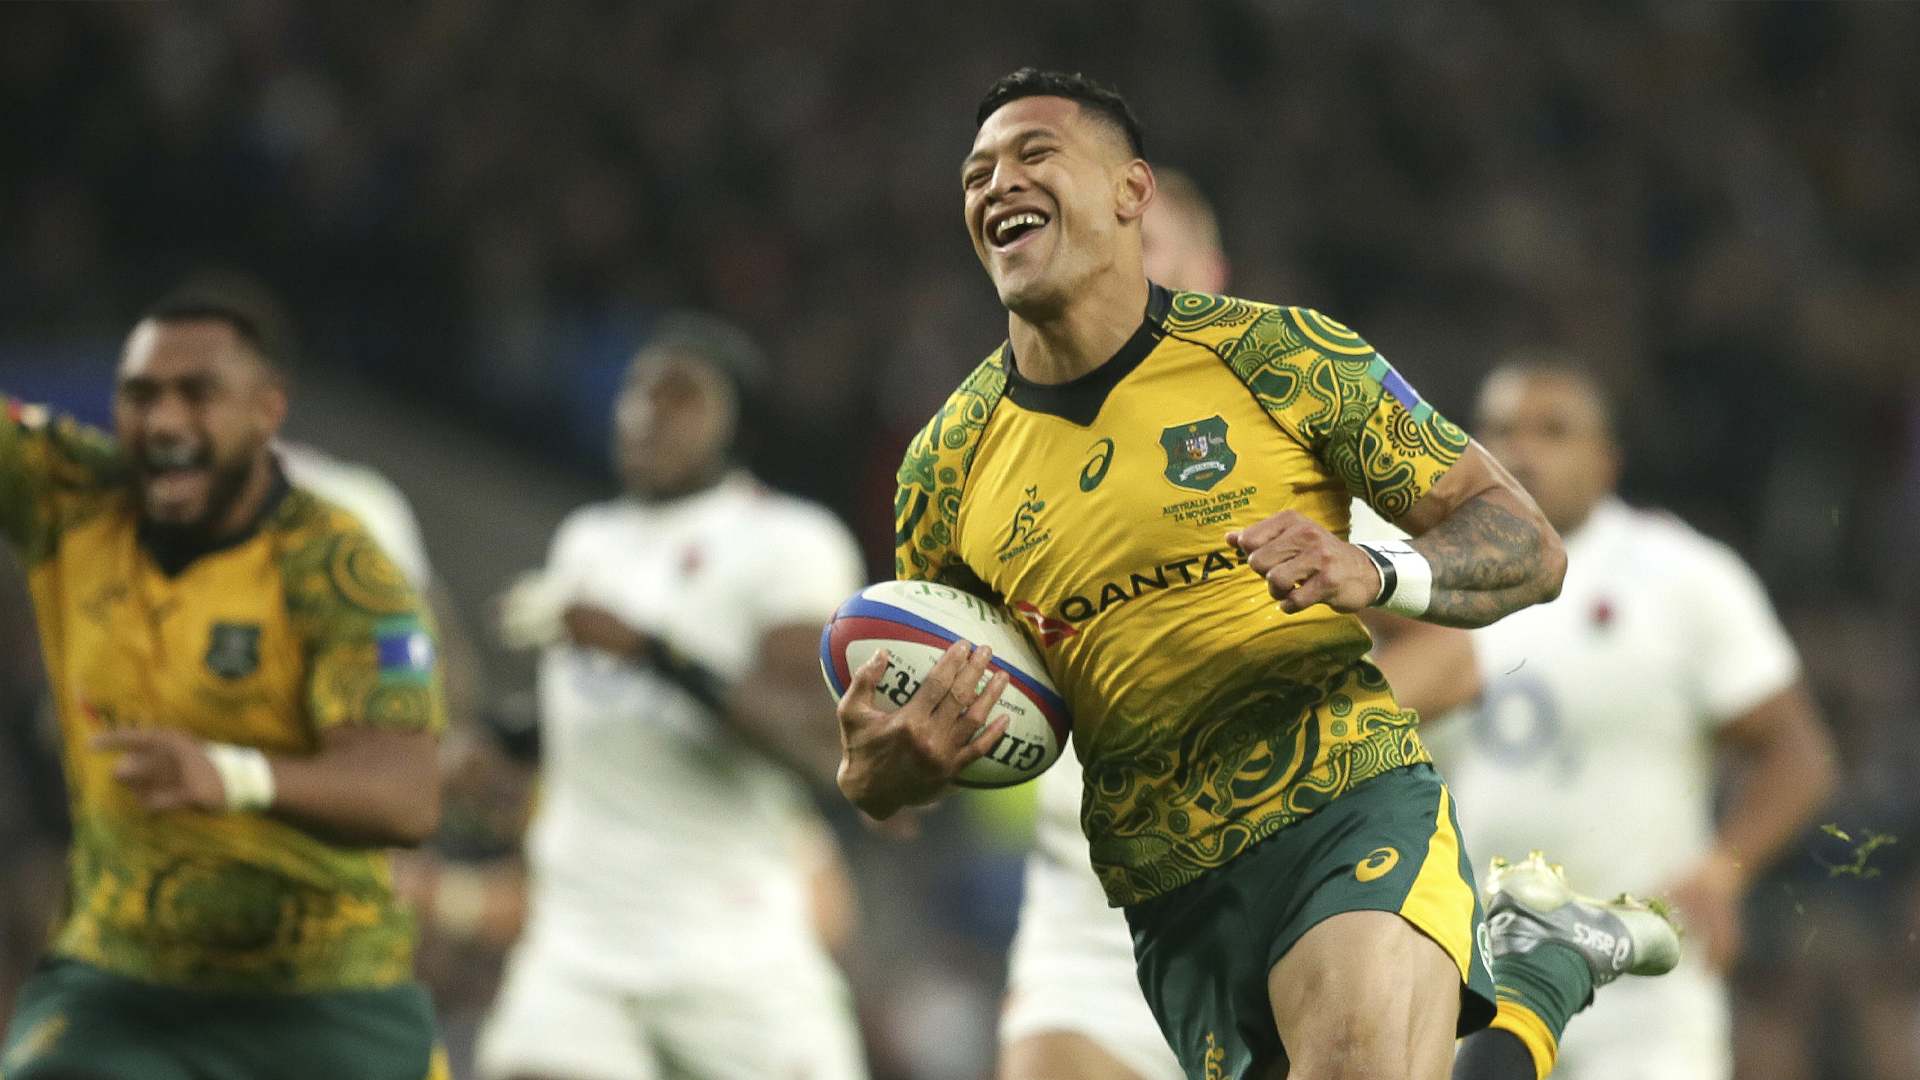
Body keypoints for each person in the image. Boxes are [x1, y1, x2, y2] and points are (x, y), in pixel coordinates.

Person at [835, 68, 1674, 1080]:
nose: (997, 182)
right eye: (977, 173)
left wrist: (1373, 568)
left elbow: (1527, 544)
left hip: (1343, 806)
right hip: (1164, 892)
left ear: (1131, 192)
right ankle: (1535, 968)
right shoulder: (945, 467)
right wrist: (880, 778)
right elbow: (937, 711)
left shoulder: (1281, 358)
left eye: (1035, 154)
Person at [997, 168, 1480, 1080]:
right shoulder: (1002, 454)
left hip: (1293, 882)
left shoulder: (1281, 424)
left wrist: (1266, 746)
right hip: (1093, 924)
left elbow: (1454, 658)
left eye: (1142, 250)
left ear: (1209, 276)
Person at [0, 287, 450, 1080]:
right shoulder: (76, 501)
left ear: (267, 410)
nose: (165, 422)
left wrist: (234, 775)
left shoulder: (342, 568)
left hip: (323, 990)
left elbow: (406, 795)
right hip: (126, 982)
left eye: (197, 395)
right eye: (142, 395)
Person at [474, 314, 870, 1080]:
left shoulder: (790, 541)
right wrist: (504, 741)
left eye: (681, 396)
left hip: (727, 950)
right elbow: (602, 707)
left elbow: (819, 741)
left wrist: (656, 653)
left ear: (740, 428)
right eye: (638, 390)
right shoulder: (586, 538)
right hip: (579, 945)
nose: (646, 412)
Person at [1422, 356, 1840, 1080]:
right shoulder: (1419, 580)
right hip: (1473, 971)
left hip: (1638, 980)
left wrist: (1724, 870)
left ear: (1606, 461)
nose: (1522, 451)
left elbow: (1797, 753)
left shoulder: (1681, 575)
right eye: (1500, 430)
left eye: (1554, 431)